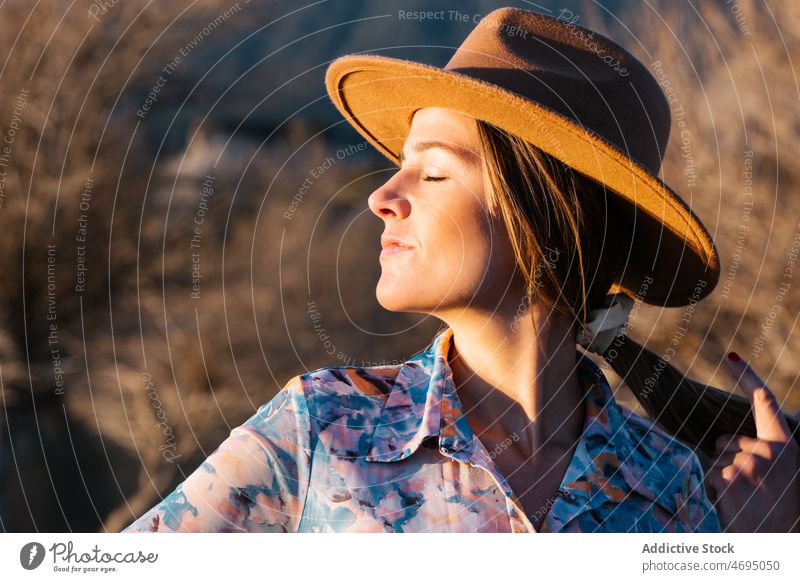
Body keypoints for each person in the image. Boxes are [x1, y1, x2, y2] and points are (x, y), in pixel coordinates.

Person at [121, 7, 799, 533]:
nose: (381, 197)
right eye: (398, 165)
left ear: (546, 215)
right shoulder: (319, 428)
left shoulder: (679, 487)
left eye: (435, 170)